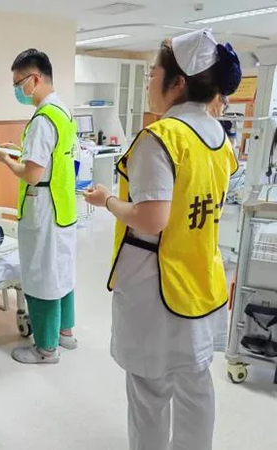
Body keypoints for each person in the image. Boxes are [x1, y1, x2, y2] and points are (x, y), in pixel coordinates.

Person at [84, 29, 241, 450]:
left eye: (153, 73)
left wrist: (108, 201)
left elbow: (152, 219)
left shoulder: (162, 137)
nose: (149, 81)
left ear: (177, 82)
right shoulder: (218, 138)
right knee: (195, 383)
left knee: (151, 390)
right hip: (201, 276)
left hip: (158, 284)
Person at [0, 49, 78, 364]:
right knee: (63, 271)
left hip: (43, 208)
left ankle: (45, 349)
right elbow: (53, 157)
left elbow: (32, 174)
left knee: (43, 276)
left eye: (19, 83)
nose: (17, 90)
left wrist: (6, 159)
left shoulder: (42, 119)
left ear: (35, 78)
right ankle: (65, 333)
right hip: (63, 206)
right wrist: (20, 150)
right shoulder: (63, 111)